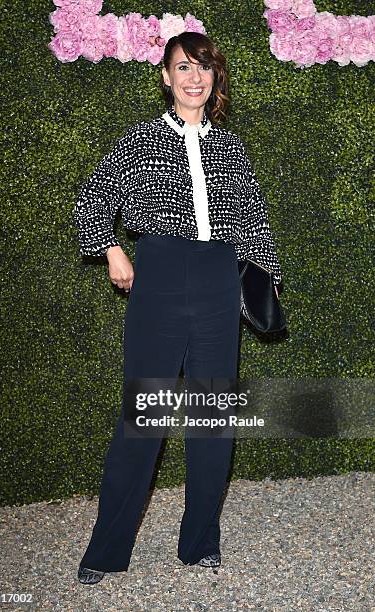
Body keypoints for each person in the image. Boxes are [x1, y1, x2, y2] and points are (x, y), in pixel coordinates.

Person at [73, 31, 283, 585]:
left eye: (204, 68)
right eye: (184, 68)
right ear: (166, 78)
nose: (195, 78)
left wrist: (262, 285)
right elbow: (92, 201)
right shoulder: (140, 140)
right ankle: (107, 549)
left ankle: (200, 543)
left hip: (217, 279)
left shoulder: (230, 147)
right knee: (143, 420)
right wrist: (112, 248)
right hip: (160, 277)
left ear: (215, 79)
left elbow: (255, 222)